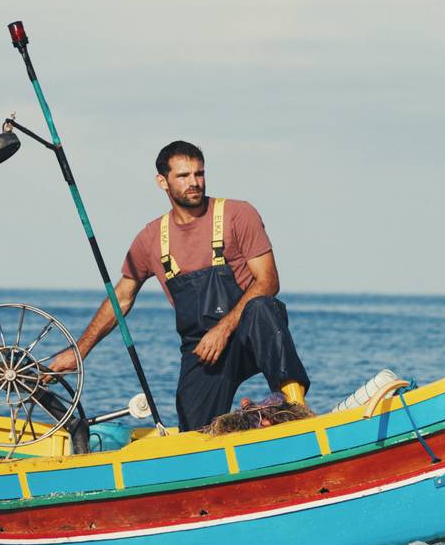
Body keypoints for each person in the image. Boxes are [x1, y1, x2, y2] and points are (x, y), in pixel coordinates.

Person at [47, 140, 309, 432]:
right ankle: (248, 422)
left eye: (199, 174)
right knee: (196, 433)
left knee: (263, 308)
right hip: (202, 349)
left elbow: (268, 282)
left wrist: (222, 329)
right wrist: (79, 352)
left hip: (247, 332)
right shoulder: (151, 238)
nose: (194, 183)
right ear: (163, 182)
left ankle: (297, 411)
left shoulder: (238, 214)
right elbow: (121, 298)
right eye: (183, 176)